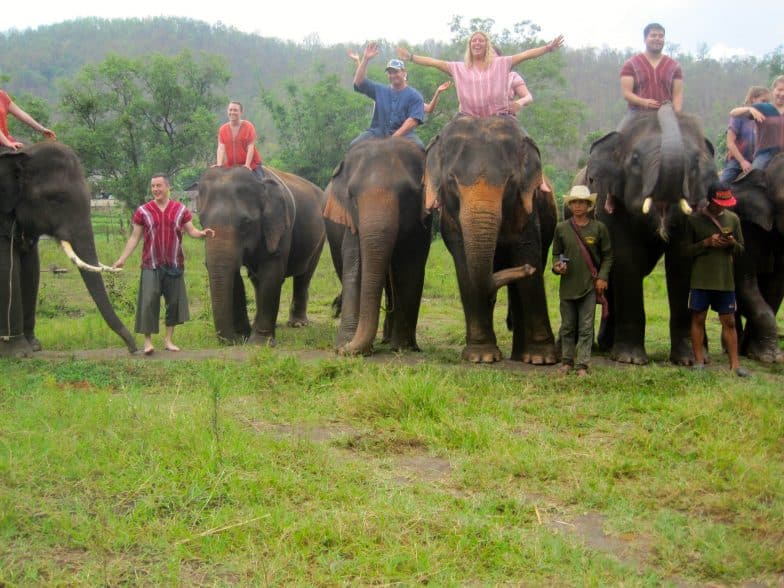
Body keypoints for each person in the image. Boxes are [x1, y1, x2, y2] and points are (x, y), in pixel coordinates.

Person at [113, 174, 215, 355]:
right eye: (153, 186)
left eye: (159, 186)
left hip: (174, 263)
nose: (155, 189)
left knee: (174, 302)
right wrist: (122, 259)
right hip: (150, 264)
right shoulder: (143, 211)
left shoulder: (181, 210)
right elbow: (135, 237)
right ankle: (148, 342)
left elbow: (191, 231)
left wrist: (202, 233)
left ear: (168, 187)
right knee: (148, 302)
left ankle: (168, 340)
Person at [396, 31, 563, 118]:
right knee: (442, 143)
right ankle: (432, 182)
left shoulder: (502, 63)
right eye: (473, 40)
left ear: (487, 45)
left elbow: (526, 54)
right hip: (467, 118)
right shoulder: (459, 67)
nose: (477, 42)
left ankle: (539, 181)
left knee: (526, 144)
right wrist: (411, 57)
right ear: (470, 46)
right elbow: (434, 62)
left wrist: (547, 48)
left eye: (481, 40)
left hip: (500, 117)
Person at [686, 182, 749, 377]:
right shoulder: (694, 220)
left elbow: (741, 250)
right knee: (698, 318)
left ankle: (735, 365)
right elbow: (685, 251)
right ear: (710, 199)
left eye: (725, 202)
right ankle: (698, 362)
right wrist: (706, 243)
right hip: (701, 279)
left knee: (729, 321)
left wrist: (731, 243)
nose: (722, 206)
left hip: (725, 280)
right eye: (719, 202)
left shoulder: (733, 219)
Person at [552, 185, 613, 377]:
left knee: (586, 328)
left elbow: (608, 256)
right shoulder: (561, 228)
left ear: (589, 206)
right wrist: (556, 267)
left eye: (582, 203)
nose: (578, 206)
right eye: (574, 202)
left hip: (589, 286)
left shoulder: (598, 228)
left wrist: (603, 277)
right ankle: (567, 362)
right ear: (570, 205)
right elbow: (556, 255)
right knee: (568, 326)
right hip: (568, 286)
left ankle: (583, 365)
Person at [350, 42, 426, 149]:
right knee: (354, 145)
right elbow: (359, 82)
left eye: (395, 72)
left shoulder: (415, 96)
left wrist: (393, 138)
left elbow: (413, 120)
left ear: (404, 73)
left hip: (405, 136)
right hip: (377, 132)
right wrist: (365, 59)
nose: (392, 75)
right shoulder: (380, 90)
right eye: (390, 73)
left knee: (420, 148)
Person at [618, 23, 683, 129]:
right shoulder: (630, 64)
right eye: (653, 35)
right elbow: (626, 93)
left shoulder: (674, 66)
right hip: (637, 113)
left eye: (661, 36)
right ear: (645, 39)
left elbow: (677, 95)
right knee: (617, 138)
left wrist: (678, 114)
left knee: (693, 139)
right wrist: (643, 102)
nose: (657, 38)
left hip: (667, 114)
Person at [729, 76, 784, 170]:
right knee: (754, 175)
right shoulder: (762, 107)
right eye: (780, 90)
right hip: (766, 154)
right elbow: (733, 113)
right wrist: (749, 109)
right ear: (773, 90)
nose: (782, 94)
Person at [720, 86, 771, 182]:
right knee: (722, 185)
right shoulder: (738, 116)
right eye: (763, 101)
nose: (766, 105)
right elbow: (730, 143)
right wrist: (742, 162)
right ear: (753, 99)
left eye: (768, 102)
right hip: (737, 161)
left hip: (758, 161)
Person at [215, 101, 264, 179]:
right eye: (230, 110)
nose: (232, 112)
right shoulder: (222, 129)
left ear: (241, 112)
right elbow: (221, 148)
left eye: (235, 110)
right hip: (232, 167)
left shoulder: (248, 126)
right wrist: (219, 165)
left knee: (260, 184)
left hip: (252, 165)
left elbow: (250, 147)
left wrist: (247, 165)